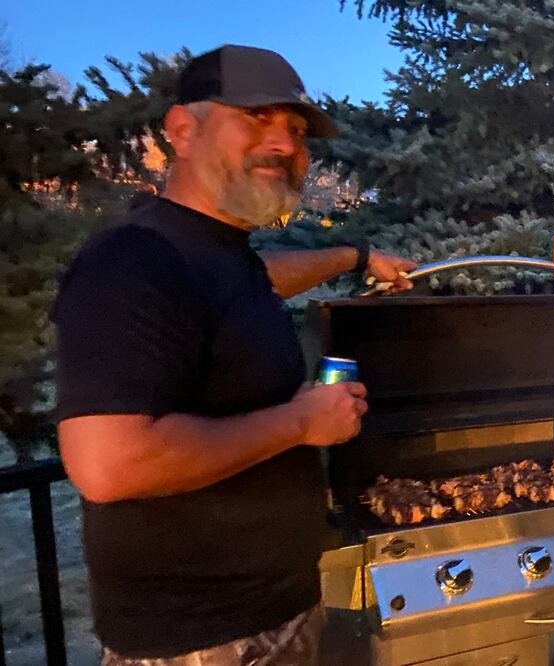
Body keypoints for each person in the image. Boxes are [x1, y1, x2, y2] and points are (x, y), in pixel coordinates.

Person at [53, 44, 416, 664]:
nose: (283, 144)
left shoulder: (215, 255)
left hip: (278, 611)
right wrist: (302, 422)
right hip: (204, 641)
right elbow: (109, 464)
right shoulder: (131, 260)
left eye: (296, 130)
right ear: (183, 130)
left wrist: (349, 258)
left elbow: (248, 283)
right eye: (255, 118)